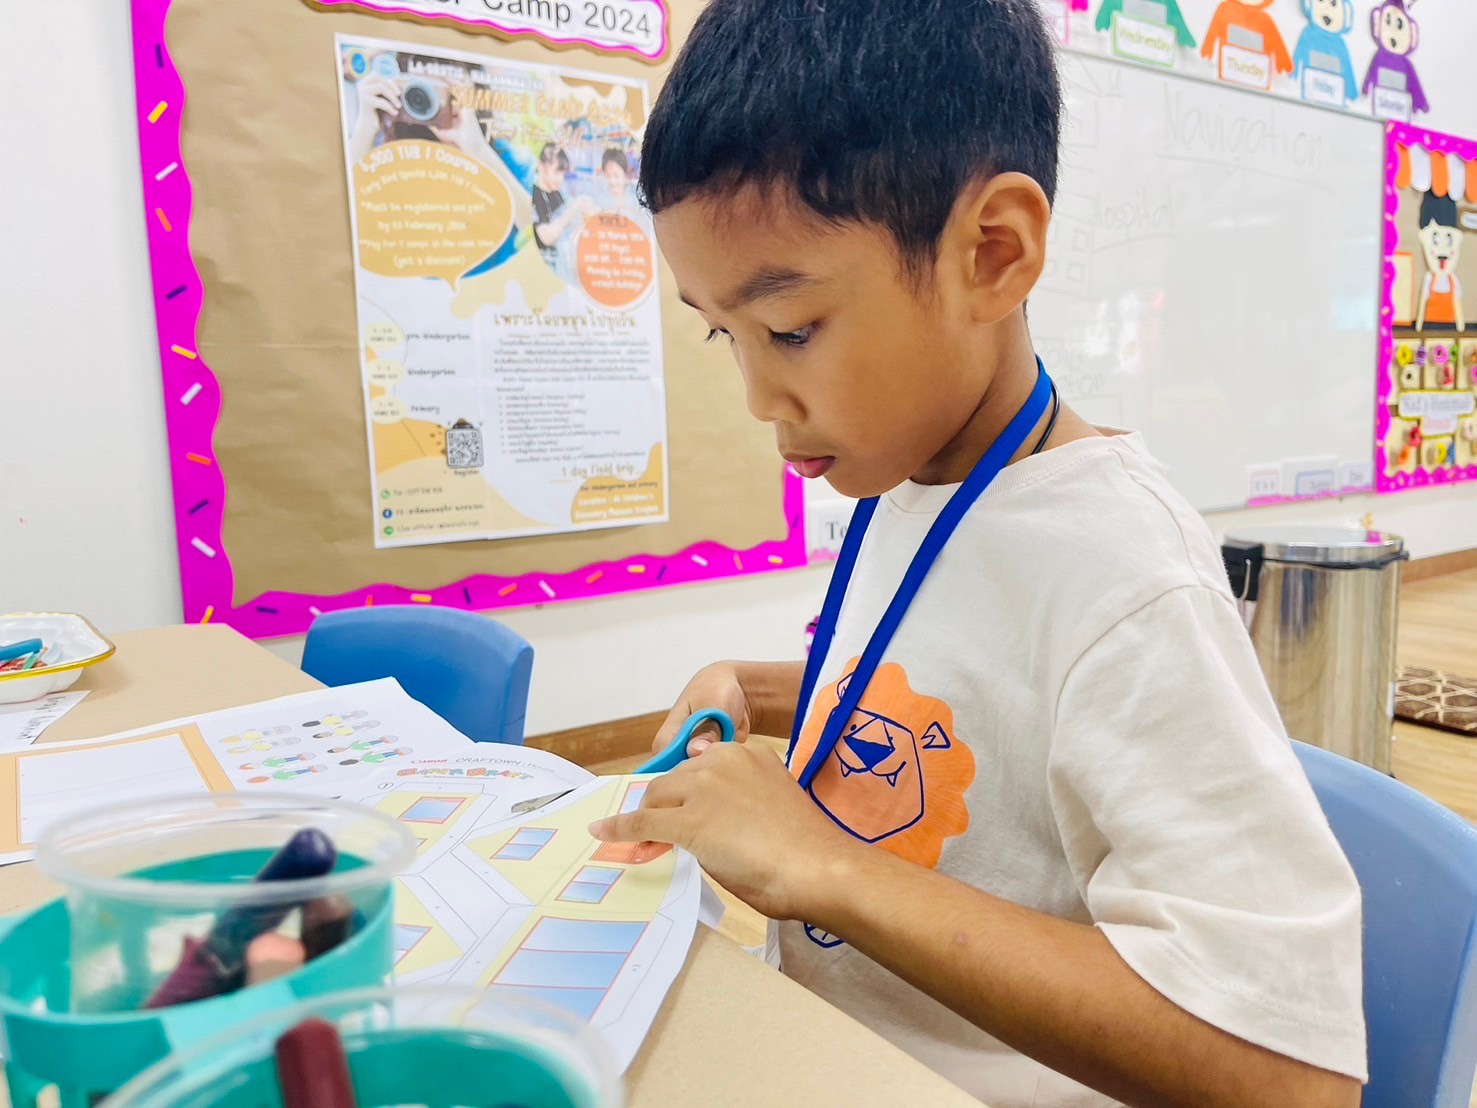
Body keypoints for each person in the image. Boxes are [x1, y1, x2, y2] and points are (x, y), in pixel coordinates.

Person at [587, 2, 1366, 1106]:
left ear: (992, 254)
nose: (760, 396)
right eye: (727, 334)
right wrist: (755, 690)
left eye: (792, 329)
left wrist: (821, 865)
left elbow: (1292, 1074)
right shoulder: (910, 473)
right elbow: (977, 699)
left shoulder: (1128, 577)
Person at [531, 142, 595, 274]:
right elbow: (546, 237)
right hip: (540, 269)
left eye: (563, 174)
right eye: (556, 173)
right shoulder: (534, 195)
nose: (560, 179)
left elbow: (572, 225)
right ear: (541, 167)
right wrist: (571, 210)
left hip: (559, 265)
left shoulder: (557, 194)